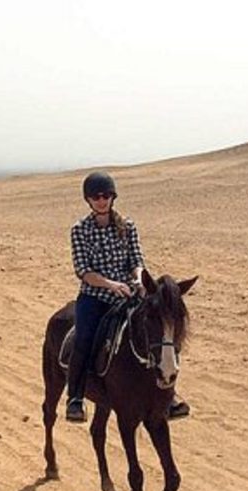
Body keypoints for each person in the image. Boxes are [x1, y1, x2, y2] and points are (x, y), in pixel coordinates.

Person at [66, 172, 190, 422]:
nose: (101, 200)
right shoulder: (80, 230)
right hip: (95, 296)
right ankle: (76, 398)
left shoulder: (127, 226)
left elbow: (137, 260)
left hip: (129, 294)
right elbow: (83, 270)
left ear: (113, 197)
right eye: (96, 197)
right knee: (84, 338)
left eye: (106, 196)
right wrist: (110, 284)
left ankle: (169, 395)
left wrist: (137, 277)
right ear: (88, 200)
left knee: (156, 332)